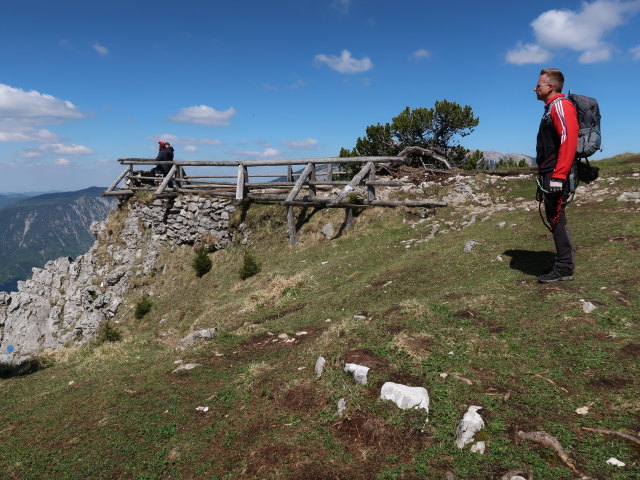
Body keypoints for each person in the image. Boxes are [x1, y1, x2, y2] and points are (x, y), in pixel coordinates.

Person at [533, 68, 578, 283]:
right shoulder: (550, 108)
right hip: (550, 172)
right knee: (555, 216)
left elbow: (568, 141)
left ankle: (563, 267)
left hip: (556, 173)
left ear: (550, 87)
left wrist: (558, 177)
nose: (535, 88)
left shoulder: (560, 106)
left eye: (539, 85)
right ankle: (565, 260)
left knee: (557, 218)